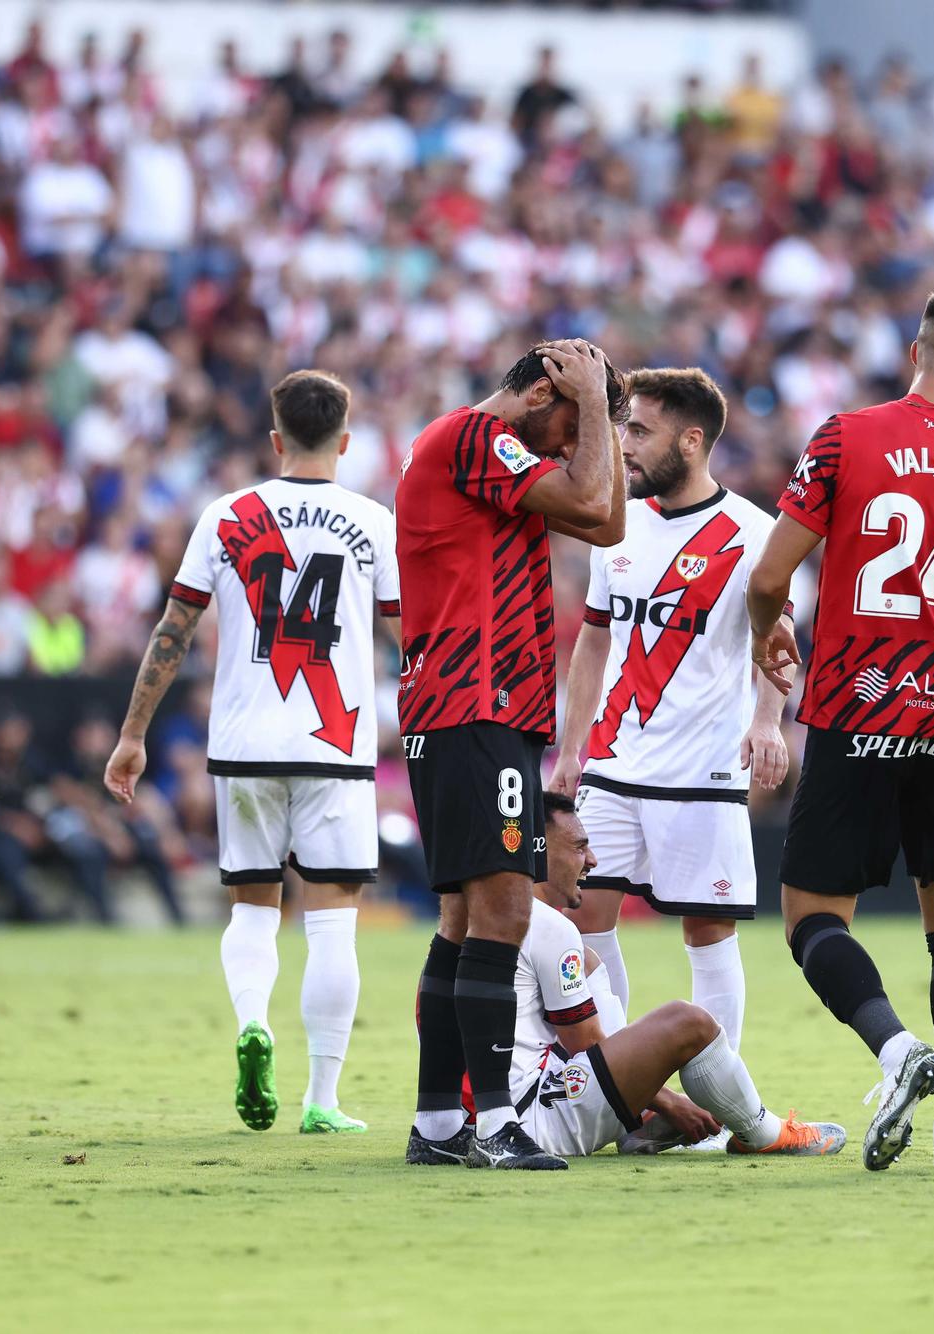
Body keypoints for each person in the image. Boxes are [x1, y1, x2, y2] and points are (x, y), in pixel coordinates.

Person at [746, 287, 934, 1172]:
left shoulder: (847, 436)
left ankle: (891, 1047)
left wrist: (773, 626)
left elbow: (771, 574)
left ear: (915, 351)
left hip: (854, 711)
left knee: (812, 917)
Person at [105, 370, 398, 1135]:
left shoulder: (227, 515)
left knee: (253, 907)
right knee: (333, 917)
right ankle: (323, 1099)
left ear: (275, 439)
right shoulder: (372, 522)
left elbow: (173, 632)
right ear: (345, 441)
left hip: (244, 743)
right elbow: (411, 639)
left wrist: (134, 735)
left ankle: (251, 1024)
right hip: (336, 743)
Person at [398, 339, 628, 1171]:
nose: (573, 443)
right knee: (504, 912)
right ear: (538, 394)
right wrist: (596, 411)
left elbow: (609, 517)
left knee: (464, 920)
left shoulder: (486, 458)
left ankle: (437, 1126)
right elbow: (592, 491)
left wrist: (601, 409)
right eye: (568, 421)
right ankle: (494, 1123)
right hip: (473, 704)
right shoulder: (471, 436)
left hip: (480, 709)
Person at [547, 368, 791, 1079]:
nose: (625, 444)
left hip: (701, 769)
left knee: (706, 932)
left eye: (641, 431)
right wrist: (571, 751)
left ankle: (720, 1104)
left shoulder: (754, 536)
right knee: (580, 921)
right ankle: (626, 1087)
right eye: (625, 427)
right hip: (612, 764)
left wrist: (769, 722)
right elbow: (594, 637)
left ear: (692, 441)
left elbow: (777, 645)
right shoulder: (616, 522)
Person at [449, 791, 843, 1164]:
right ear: (538, 849)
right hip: (530, 1121)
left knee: (588, 963)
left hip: (472, 1120)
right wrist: (671, 1101)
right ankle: (763, 1132)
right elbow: (585, 1044)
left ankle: (634, 1121)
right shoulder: (550, 927)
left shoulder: (477, 916)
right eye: (579, 847)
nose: (593, 860)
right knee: (687, 1023)